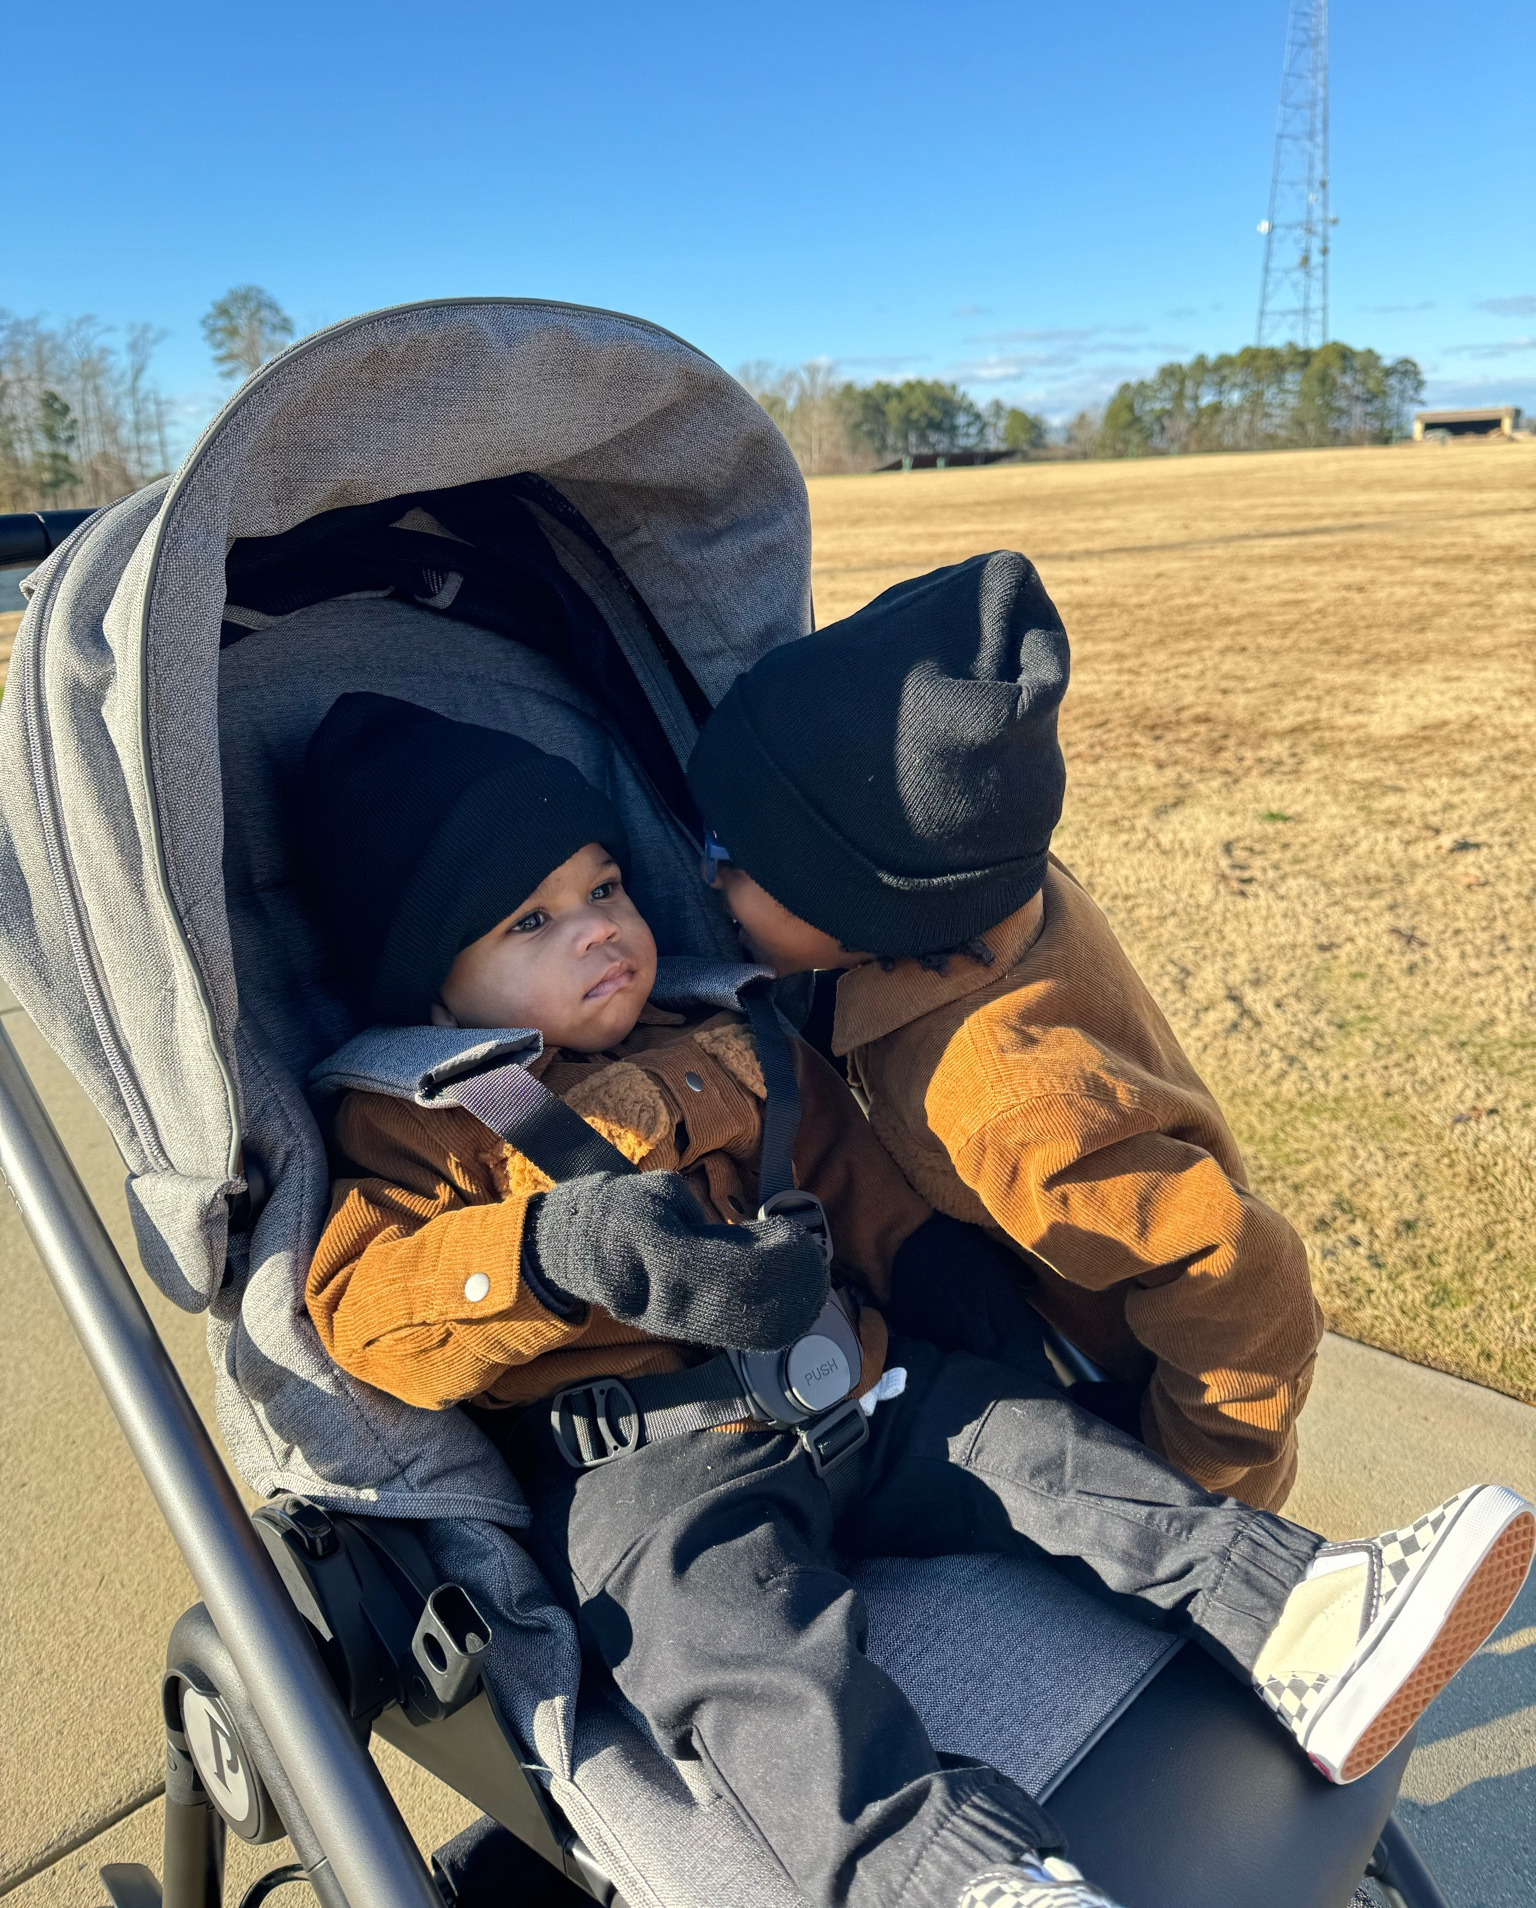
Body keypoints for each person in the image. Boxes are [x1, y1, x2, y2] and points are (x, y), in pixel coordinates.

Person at [301, 692, 1534, 1908]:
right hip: (647, 1479)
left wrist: (945, 1288)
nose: (599, 929)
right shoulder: (422, 1126)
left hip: (855, 1378)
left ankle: (1296, 1610)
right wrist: (557, 1250)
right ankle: (941, 1868)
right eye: (533, 918)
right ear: (438, 995)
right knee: (749, 1663)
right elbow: (365, 1308)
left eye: (606, 886)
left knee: (1041, 1448)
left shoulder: (721, 1034)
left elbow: (854, 1181)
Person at [688, 549, 1323, 1511]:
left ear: (856, 895)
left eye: (731, 856)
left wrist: (1185, 1485)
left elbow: (1248, 1286)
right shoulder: (982, 896)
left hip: (1134, 1424)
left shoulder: (1000, 1099)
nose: (709, 880)